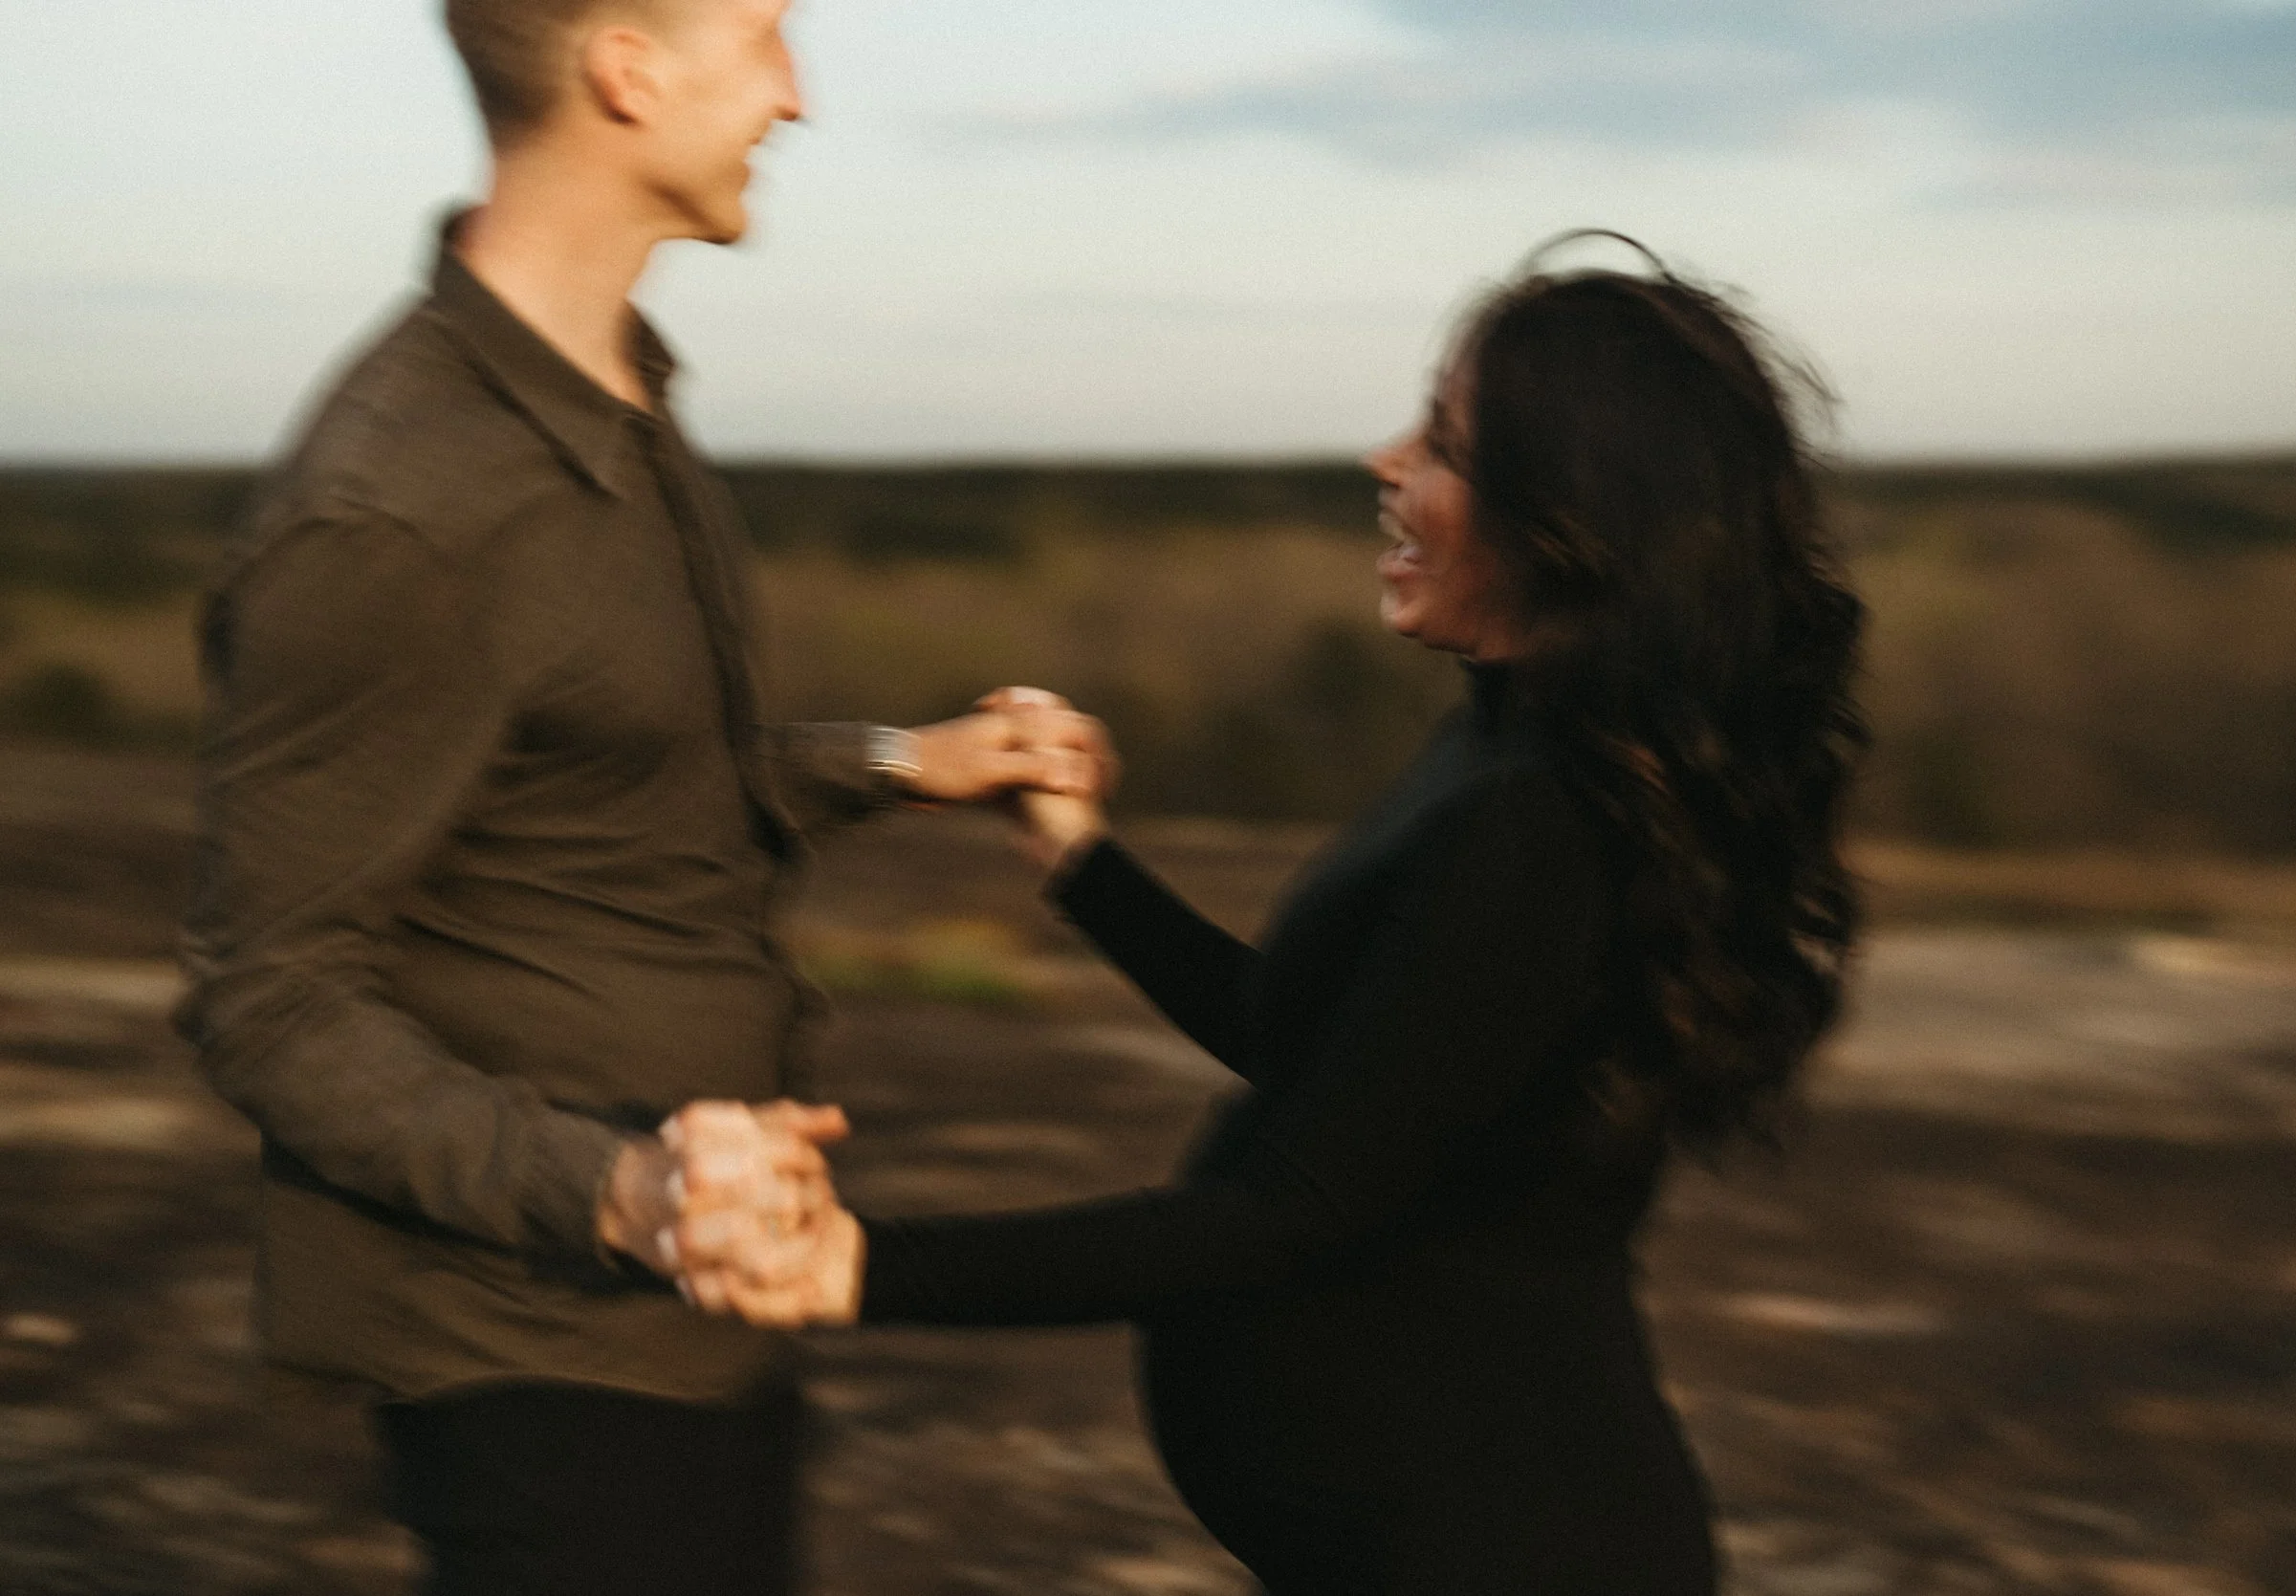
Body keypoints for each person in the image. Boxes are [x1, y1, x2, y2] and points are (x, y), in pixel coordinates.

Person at [668, 238, 1870, 1594]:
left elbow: (1285, 1208)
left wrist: (861, 1267)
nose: (1386, 462)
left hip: (1506, 1543)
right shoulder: (1509, 741)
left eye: (1447, 444)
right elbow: (1324, 1052)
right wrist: (1078, 861)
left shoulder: (1546, 823)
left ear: (1567, 515)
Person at [175, 2, 1110, 1592]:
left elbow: (632, 779)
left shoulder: (612, 390)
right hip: (534, 1350)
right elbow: (268, 999)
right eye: (763, 38)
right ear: (627, 69)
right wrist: (622, 1190)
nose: (798, 99)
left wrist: (901, 762)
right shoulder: (397, 509)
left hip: (696, 1311)